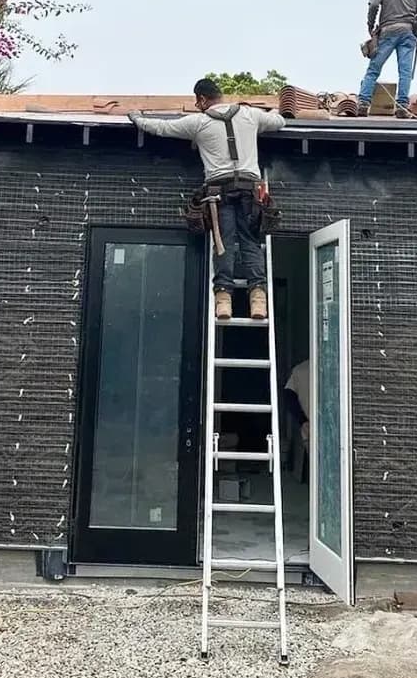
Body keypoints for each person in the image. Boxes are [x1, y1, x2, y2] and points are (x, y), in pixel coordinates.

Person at [128, 79, 286, 320]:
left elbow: (161, 127)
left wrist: (137, 117)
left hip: (218, 193)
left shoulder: (199, 122)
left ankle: (223, 300)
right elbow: (280, 121)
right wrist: (274, 110)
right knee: (251, 243)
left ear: (202, 99)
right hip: (250, 191)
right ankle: (258, 301)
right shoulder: (250, 115)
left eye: (197, 101)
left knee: (222, 243)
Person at [357, 0, 417, 118]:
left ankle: (363, 103)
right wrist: (414, 19)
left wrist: (370, 24)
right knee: (405, 72)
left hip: (388, 32)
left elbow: (374, 4)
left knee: (373, 70)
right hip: (408, 33)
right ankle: (402, 107)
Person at [282, 359, 310, 446]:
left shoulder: (300, 369)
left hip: (308, 430)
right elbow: (288, 395)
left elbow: (288, 396)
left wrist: (303, 421)